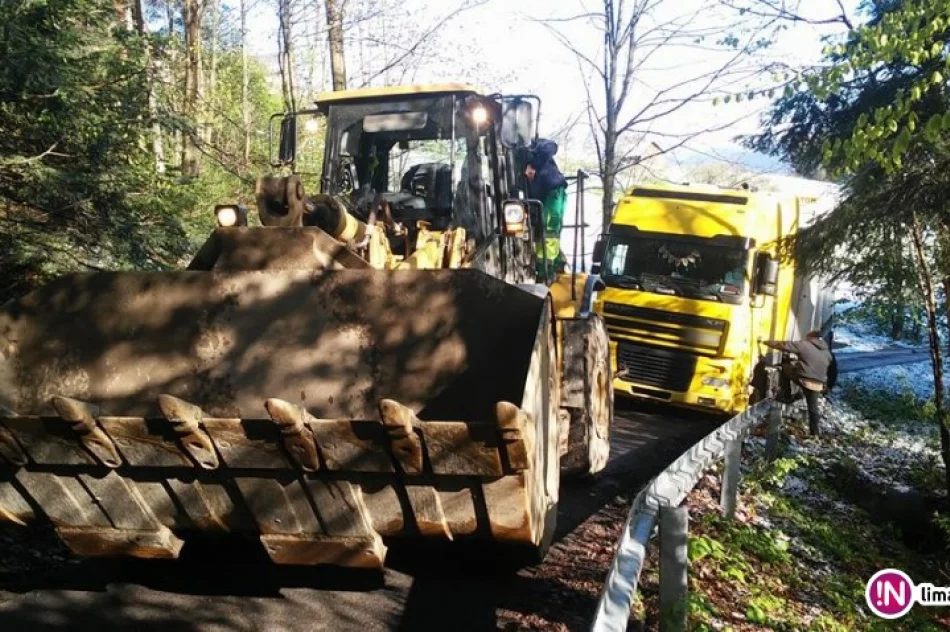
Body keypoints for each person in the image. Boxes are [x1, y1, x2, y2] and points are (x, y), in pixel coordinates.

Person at [762, 331, 834, 435]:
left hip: (804, 379)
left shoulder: (805, 344)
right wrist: (828, 387)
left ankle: (786, 397)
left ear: (810, 337)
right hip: (818, 385)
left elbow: (784, 345)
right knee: (813, 408)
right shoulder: (827, 353)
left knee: (784, 368)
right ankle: (815, 433)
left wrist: (766, 342)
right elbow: (832, 371)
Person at [524, 139, 568, 280]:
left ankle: (546, 270)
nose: (525, 173)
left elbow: (552, 146)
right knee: (541, 229)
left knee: (548, 229)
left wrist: (532, 161)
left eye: (527, 170)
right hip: (542, 195)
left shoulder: (537, 150)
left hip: (552, 191)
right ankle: (554, 262)